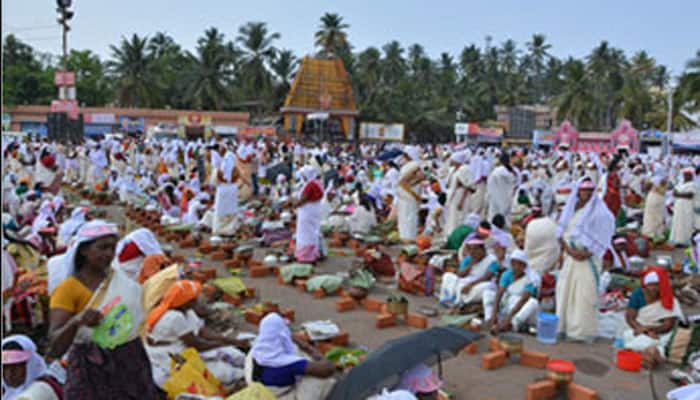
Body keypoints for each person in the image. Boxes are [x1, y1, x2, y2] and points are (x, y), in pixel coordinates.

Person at [47, 220, 164, 399]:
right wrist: (77, 321)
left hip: (129, 362)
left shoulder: (122, 281)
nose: (109, 254)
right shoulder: (68, 290)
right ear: (84, 250)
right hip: (90, 370)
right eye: (102, 247)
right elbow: (55, 346)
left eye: (112, 248)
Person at [144, 280, 247, 388]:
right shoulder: (174, 317)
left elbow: (202, 331)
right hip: (170, 355)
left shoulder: (186, 311)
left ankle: (248, 369)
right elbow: (196, 344)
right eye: (193, 299)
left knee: (236, 355)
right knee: (222, 373)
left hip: (186, 348)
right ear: (185, 301)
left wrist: (230, 341)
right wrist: (225, 343)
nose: (197, 301)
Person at [555, 177, 615, 342]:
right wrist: (569, 251)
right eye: (583, 191)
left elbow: (604, 236)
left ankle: (582, 332)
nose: (586, 194)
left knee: (584, 295)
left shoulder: (601, 212)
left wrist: (586, 253)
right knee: (565, 291)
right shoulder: (570, 210)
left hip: (589, 259)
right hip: (570, 257)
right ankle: (563, 327)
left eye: (589, 191)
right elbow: (560, 234)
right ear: (578, 191)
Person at [247, 313, 336, 398]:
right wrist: (309, 348)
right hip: (282, 396)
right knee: (320, 380)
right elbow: (328, 369)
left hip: (262, 392)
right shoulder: (286, 363)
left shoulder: (255, 352)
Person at [623, 268, 684, 353]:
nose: (653, 288)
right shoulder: (638, 294)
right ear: (646, 285)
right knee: (629, 336)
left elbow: (668, 325)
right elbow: (630, 317)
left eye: (657, 285)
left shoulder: (668, 298)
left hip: (660, 330)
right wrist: (644, 331)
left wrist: (652, 330)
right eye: (650, 285)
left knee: (664, 343)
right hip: (639, 327)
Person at [483, 250, 540, 334]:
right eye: (514, 264)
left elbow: (523, 300)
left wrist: (507, 319)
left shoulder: (530, 279)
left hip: (521, 310)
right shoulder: (507, 274)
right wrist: (494, 314)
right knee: (488, 293)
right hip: (508, 305)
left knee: (533, 302)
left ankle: (511, 325)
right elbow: (499, 294)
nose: (516, 267)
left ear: (524, 266)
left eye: (520, 264)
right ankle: (489, 319)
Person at [439, 237, 499, 312]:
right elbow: (460, 274)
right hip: (465, 281)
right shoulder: (469, 258)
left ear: (483, 249)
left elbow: (487, 277)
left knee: (485, 287)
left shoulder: (492, 260)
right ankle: (450, 300)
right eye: (470, 249)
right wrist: (471, 264)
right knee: (447, 276)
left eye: (475, 249)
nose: (472, 252)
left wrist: (470, 285)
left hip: (480, 283)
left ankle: (459, 303)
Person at [2, 335, 63, 400]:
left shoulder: (41, 389)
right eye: (5, 367)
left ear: (30, 365)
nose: (9, 373)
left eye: (16, 366)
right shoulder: (7, 391)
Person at [294, 165, 325, 263]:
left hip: (307, 212)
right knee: (313, 232)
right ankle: (313, 254)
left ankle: (306, 256)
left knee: (305, 234)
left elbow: (304, 199)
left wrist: (294, 205)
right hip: (314, 211)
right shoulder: (317, 183)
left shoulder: (310, 185)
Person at [397, 148, 424, 243]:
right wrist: (415, 195)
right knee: (408, 216)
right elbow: (402, 182)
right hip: (408, 195)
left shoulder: (412, 165)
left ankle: (408, 237)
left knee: (408, 216)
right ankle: (408, 237)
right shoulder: (413, 166)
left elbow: (406, 181)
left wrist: (414, 185)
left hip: (407, 195)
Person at [444, 151, 472, 236]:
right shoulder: (452, 170)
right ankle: (450, 235)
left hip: (460, 195)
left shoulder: (465, 169)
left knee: (459, 217)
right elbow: (448, 183)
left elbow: (468, 186)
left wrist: (462, 201)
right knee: (451, 217)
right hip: (452, 195)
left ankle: (458, 235)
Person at [486, 153, 517, 226]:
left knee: (494, 217)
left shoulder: (496, 171)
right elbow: (514, 183)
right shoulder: (510, 172)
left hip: (495, 199)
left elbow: (489, 184)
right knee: (505, 219)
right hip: (506, 199)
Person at [670, 168, 697, 246]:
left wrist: (679, 194)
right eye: (685, 175)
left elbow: (690, 195)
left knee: (686, 223)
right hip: (679, 206)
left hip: (687, 207)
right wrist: (681, 194)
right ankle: (677, 240)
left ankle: (685, 241)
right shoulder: (680, 184)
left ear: (691, 176)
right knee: (678, 223)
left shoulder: (693, 184)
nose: (686, 176)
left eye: (688, 175)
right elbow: (674, 193)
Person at [642, 175, 668, 241]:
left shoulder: (654, 179)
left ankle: (651, 234)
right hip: (657, 198)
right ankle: (655, 234)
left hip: (655, 198)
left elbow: (645, 188)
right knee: (656, 217)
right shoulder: (661, 179)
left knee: (653, 217)